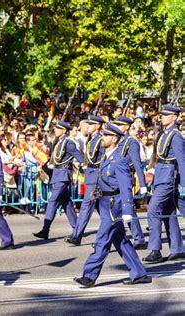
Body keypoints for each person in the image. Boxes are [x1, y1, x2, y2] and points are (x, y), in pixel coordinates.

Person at [74, 123, 151, 287]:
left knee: (102, 239)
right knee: (120, 240)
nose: (103, 137)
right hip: (104, 202)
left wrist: (128, 209)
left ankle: (89, 275)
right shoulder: (105, 156)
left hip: (113, 204)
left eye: (106, 135)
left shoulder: (119, 160)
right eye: (103, 134)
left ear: (115, 139)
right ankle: (139, 273)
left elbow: (125, 186)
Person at [143, 105, 185, 263]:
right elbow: (158, 156)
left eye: (166, 115)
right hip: (160, 175)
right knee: (169, 212)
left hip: (168, 177)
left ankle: (155, 250)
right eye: (162, 115)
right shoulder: (164, 133)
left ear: (174, 117)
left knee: (153, 209)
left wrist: (183, 184)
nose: (162, 117)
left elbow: (182, 161)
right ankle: (177, 248)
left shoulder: (175, 136)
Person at [33, 120, 84, 240]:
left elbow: (80, 156)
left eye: (58, 128)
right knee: (67, 203)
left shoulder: (68, 143)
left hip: (62, 175)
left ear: (64, 130)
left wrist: (87, 167)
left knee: (52, 201)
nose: (55, 130)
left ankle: (45, 230)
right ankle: (77, 228)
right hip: (57, 174)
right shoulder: (59, 142)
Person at [65, 115, 104, 246]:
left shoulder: (101, 140)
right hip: (91, 176)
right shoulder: (90, 139)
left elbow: (104, 159)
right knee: (105, 211)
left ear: (97, 126)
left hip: (97, 177)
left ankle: (77, 235)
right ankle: (137, 236)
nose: (88, 126)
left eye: (91, 124)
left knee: (86, 206)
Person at [112, 115, 147, 249]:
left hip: (125, 179)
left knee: (128, 208)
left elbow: (137, 164)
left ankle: (138, 238)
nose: (116, 128)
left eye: (119, 125)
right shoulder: (117, 142)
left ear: (126, 128)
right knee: (113, 210)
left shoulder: (130, 142)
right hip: (113, 179)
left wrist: (143, 184)